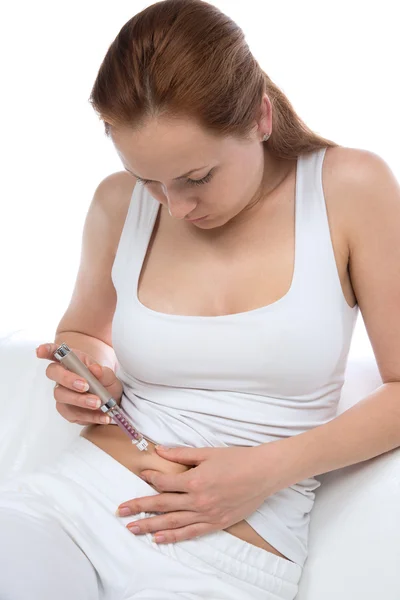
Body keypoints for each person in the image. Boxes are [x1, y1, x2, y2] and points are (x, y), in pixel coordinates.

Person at [2, 0, 400, 598]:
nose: (176, 206)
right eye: (149, 181)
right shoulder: (116, 204)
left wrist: (269, 469)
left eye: (196, 178)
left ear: (260, 118)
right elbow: (82, 334)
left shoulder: (349, 188)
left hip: (230, 552)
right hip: (71, 507)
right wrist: (89, 374)